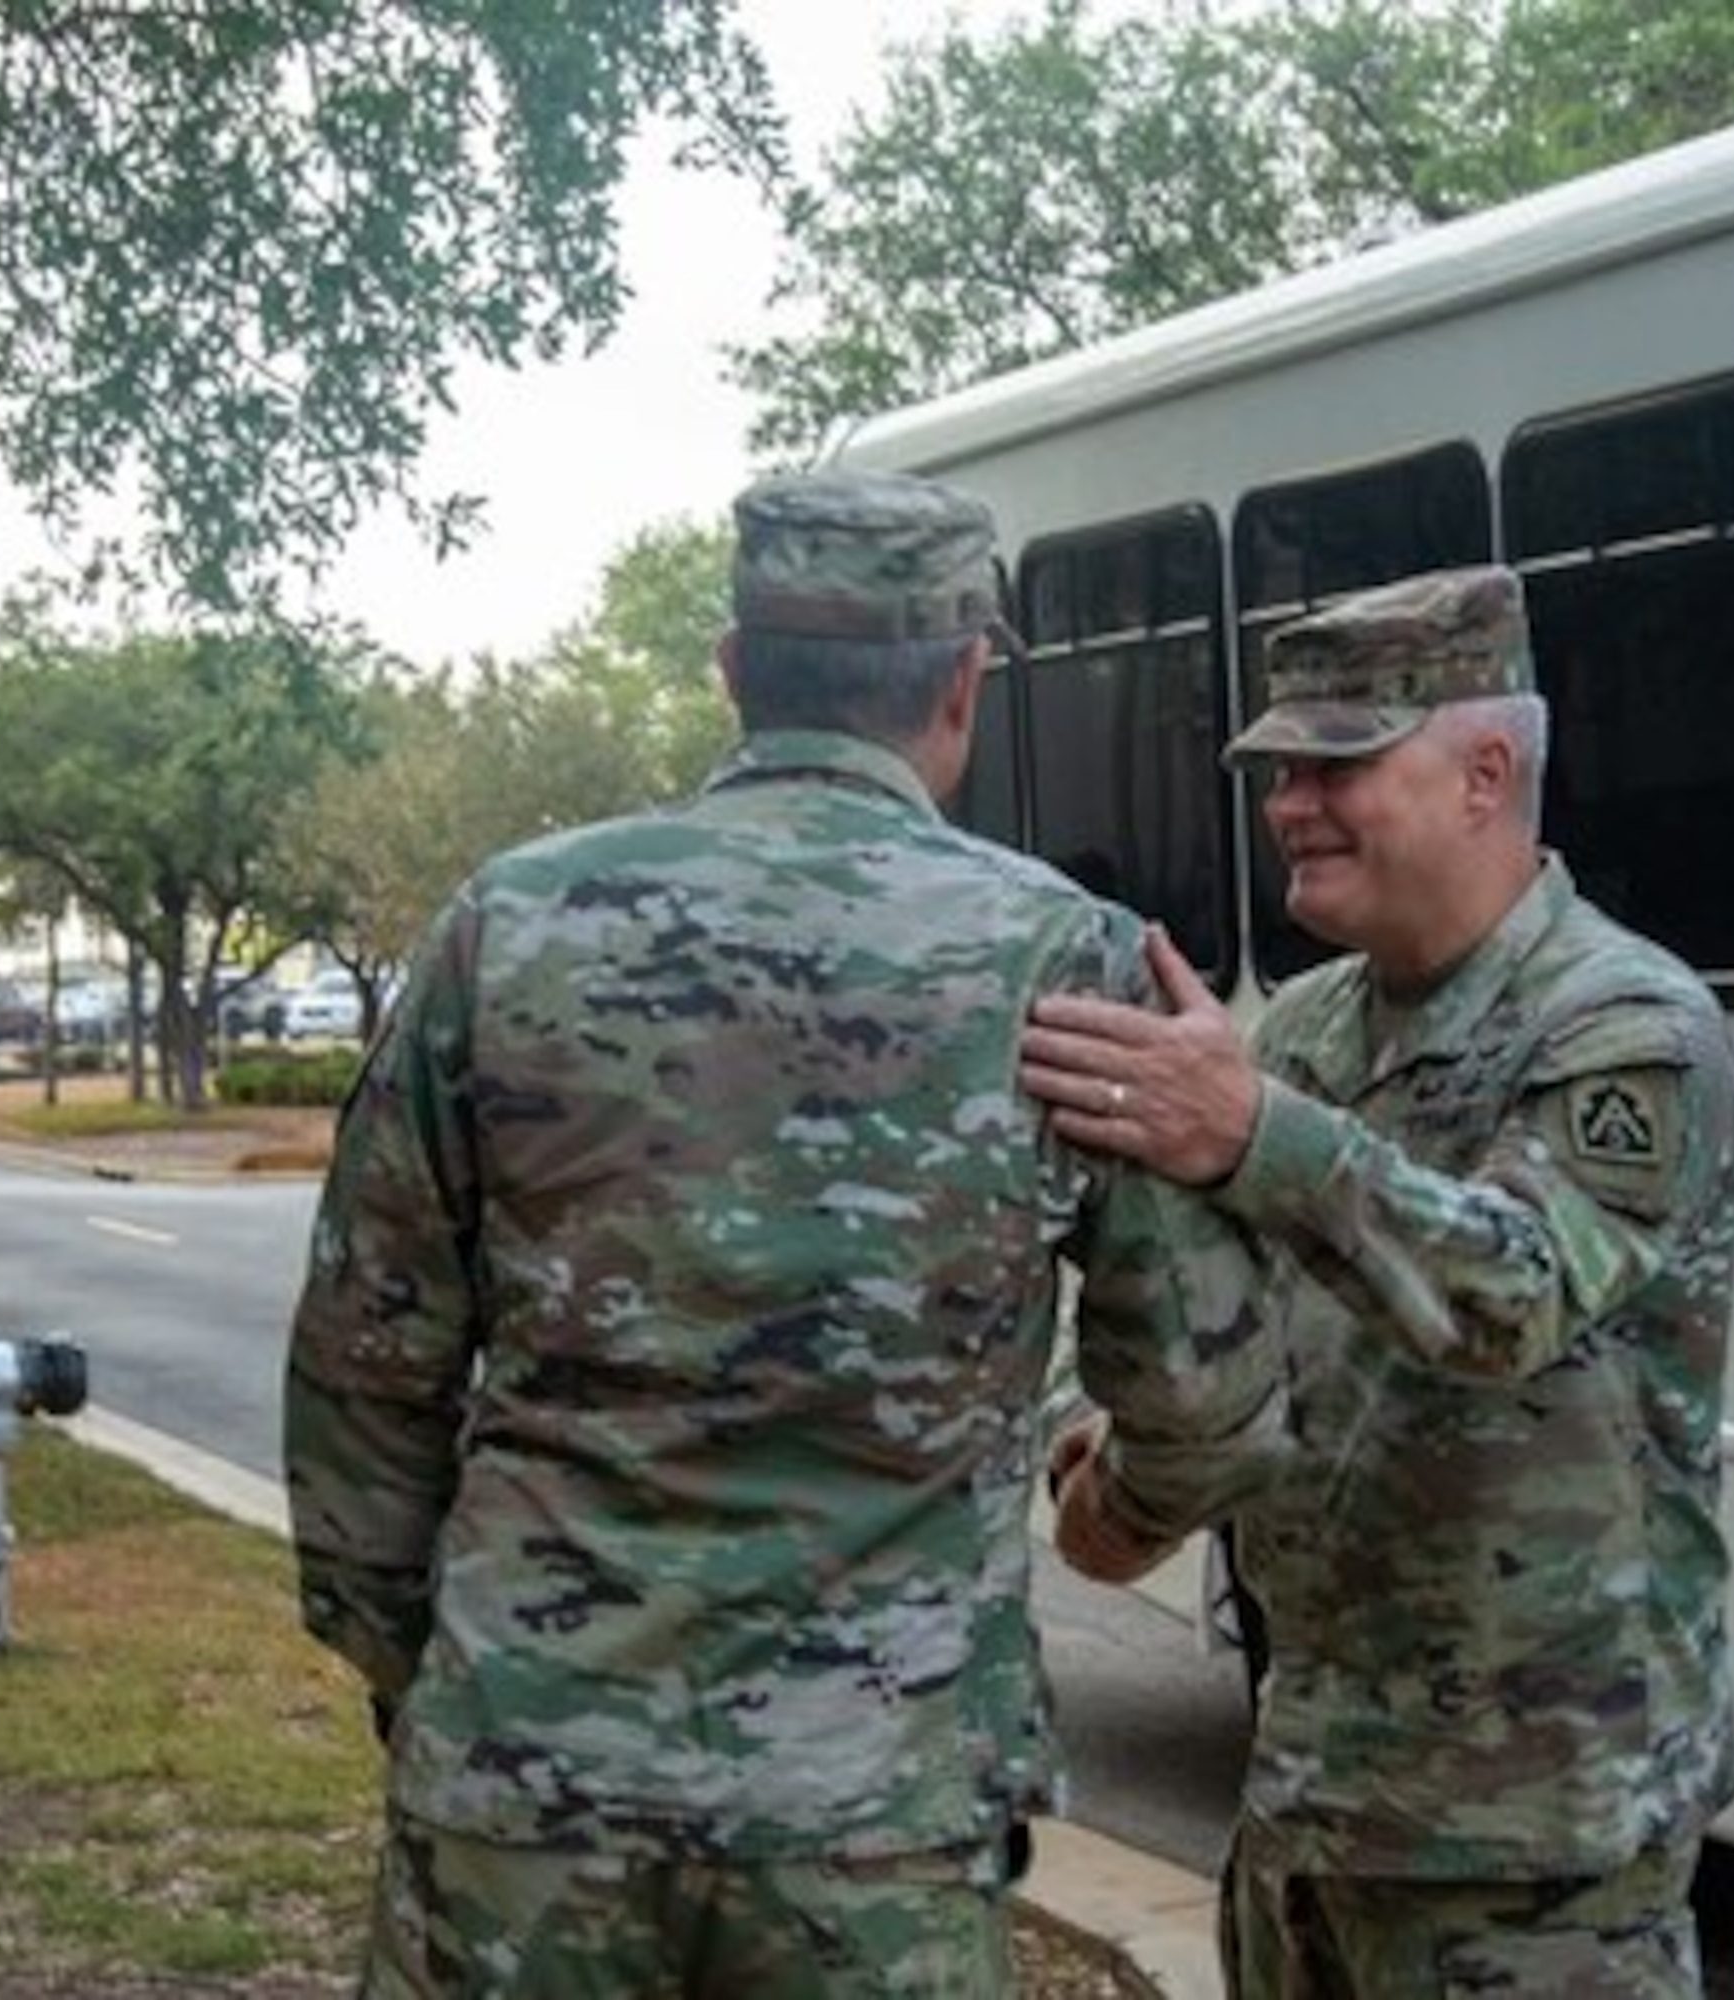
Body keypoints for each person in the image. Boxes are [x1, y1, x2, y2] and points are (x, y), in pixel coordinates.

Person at [283, 466, 1290, 1999]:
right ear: (966, 683)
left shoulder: (509, 925)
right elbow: (1207, 1402)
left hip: (526, 1785)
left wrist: (436, 1671)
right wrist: (1119, 1516)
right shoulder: (1071, 965)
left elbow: (365, 1366)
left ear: (735, 671)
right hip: (876, 1823)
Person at [1021, 565, 1734, 1998]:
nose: (1290, 800)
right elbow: (1179, 1298)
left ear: (1486, 773)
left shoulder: (1630, 1030)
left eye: (1337, 762)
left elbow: (1516, 1295)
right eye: (1280, 767)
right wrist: (1105, 1456)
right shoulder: (1300, 1030)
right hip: (1312, 1794)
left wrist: (1253, 1134)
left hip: (1539, 1845)